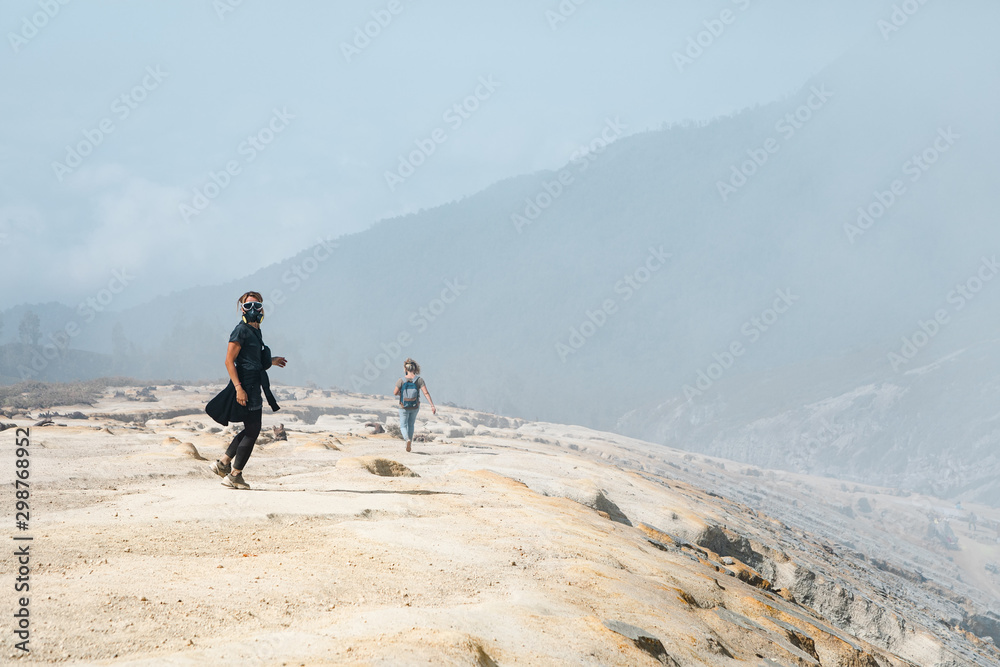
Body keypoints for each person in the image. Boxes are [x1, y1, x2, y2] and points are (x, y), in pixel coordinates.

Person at [205, 291, 287, 489]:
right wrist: (239, 389)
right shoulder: (240, 330)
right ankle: (234, 476)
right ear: (242, 309)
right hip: (245, 386)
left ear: (262, 309)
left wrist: (271, 361)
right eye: (248, 306)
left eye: (257, 305)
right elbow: (228, 361)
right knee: (253, 430)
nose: (253, 310)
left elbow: (252, 361)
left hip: (252, 383)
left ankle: (223, 464)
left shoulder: (255, 330)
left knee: (251, 429)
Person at [393, 358, 436, 452]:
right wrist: (432, 405)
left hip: (403, 406)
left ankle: (407, 439)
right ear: (415, 368)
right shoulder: (419, 380)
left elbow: (395, 392)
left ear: (405, 369)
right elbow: (426, 393)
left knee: (403, 426)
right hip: (415, 406)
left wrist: (402, 393)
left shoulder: (401, 380)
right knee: (411, 424)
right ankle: (410, 443)